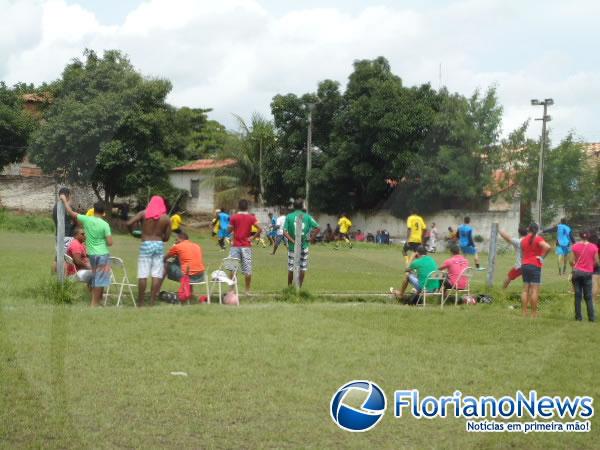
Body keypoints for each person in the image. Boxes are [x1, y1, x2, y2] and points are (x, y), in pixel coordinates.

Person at [59, 196, 112, 307]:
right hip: (102, 254)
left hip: (92, 254)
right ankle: (94, 304)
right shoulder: (105, 225)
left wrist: (64, 200)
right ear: (103, 212)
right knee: (100, 280)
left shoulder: (87, 219)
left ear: (94, 210)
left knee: (96, 278)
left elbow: (71, 212)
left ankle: (97, 302)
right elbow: (110, 242)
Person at [127, 196, 171, 306]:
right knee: (156, 274)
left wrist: (133, 233)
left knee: (143, 274)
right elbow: (167, 238)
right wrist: (160, 237)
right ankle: (152, 302)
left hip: (146, 243)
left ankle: (141, 303)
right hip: (159, 245)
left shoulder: (144, 213)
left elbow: (129, 223)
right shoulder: (166, 218)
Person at [283, 199, 320, 288]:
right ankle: (299, 288)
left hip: (292, 247)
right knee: (303, 267)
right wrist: (310, 239)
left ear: (293, 207)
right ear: (302, 206)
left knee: (291, 268)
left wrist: (292, 241)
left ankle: (289, 288)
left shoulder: (289, 216)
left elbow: (284, 231)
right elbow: (317, 228)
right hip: (304, 246)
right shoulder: (307, 217)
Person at [228, 199, 261, 294]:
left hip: (235, 246)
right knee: (247, 269)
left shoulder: (234, 217)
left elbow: (229, 230)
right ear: (247, 207)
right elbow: (260, 229)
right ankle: (247, 290)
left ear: (238, 206)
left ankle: (231, 290)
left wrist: (231, 228)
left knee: (232, 268)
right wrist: (252, 238)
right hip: (246, 246)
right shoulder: (251, 217)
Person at [520, 223, 551, 318]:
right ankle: (533, 313)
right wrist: (542, 257)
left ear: (528, 229)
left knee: (525, 290)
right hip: (534, 265)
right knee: (534, 290)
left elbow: (522, 253)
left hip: (524, 265)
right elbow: (548, 247)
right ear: (537, 230)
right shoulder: (538, 238)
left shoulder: (523, 240)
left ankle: (524, 312)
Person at [570, 231, 599, 322]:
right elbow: (597, 262)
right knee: (588, 296)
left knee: (577, 296)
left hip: (577, 273)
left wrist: (575, 266)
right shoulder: (594, 247)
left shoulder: (574, 246)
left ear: (580, 236)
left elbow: (571, 261)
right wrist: (590, 265)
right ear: (589, 236)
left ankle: (578, 317)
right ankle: (591, 317)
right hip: (588, 273)